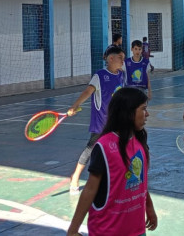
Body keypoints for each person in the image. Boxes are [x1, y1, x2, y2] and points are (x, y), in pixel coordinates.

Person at [66, 88, 157, 236]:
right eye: (143, 109)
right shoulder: (104, 146)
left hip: (137, 230)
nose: (147, 114)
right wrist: (73, 230)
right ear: (128, 113)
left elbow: (140, 182)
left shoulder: (139, 143)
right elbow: (90, 189)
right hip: (108, 230)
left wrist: (149, 208)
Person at [65, 45, 127, 193]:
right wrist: (75, 105)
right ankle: (75, 177)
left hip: (117, 122)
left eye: (124, 59)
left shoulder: (122, 75)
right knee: (90, 149)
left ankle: (115, 179)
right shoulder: (99, 76)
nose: (123, 62)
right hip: (102, 123)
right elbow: (88, 91)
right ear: (111, 59)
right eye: (120, 58)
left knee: (119, 149)